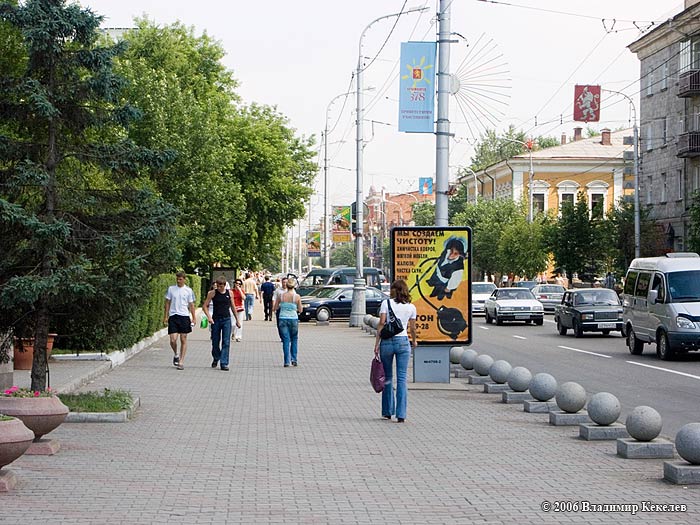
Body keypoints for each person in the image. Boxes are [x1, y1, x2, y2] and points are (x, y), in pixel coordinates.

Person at [373, 279, 417, 423]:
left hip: (387, 342)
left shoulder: (386, 303)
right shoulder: (411, 307)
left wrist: (377, 343)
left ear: (393, 290)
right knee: (402, 379)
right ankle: (401, 414)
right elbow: (412, 328)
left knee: (387, 377)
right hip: (403, 342)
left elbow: (381, 323)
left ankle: (387, 411)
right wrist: (414, 340)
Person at [203, 276, 240, 371]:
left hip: (226, 319)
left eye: (220, 286)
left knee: (226, 342)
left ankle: (224, 363)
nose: (218, 288)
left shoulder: (229, 293)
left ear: (224, 285)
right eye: (217, 285)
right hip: (216, 319)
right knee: (215, 341)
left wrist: (237, 320)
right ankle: (216, 357)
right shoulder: (212, 293)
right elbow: (205, 306)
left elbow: (233, 307)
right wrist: (209, 317)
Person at [163, 271, 196, 370]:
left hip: (184, 316)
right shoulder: (171, 289)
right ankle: (176, 354)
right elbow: (167, 302)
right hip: (173, 316)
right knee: (173, 339)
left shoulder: (188, 291)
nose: (178, 281)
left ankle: (181, 361)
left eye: (180, 279)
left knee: (183, 338)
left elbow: (191, 305)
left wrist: (194, 317)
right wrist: (166, 316)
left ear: (184, 279)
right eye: (177, 279)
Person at [272, 276, 302, 367]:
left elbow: (275, 308)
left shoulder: (281, 296)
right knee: (294, 339)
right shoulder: (296, 297)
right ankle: (294, 359)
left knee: (285, 340)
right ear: (294, 286)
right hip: (293, 319)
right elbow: (300, 310)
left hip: (283, 319)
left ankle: (286, 361)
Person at [274, 276, 288, 341]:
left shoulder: (291, 290)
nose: (284, 284)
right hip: (280, 309)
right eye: (283, 282)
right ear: (281, 283)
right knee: (280, 324)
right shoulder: (278, 290)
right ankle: (282, 337)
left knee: (287, 323)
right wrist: (274, 308)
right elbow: (274, 299)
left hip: (287, 309)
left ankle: (287, 336)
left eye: (286, 282)